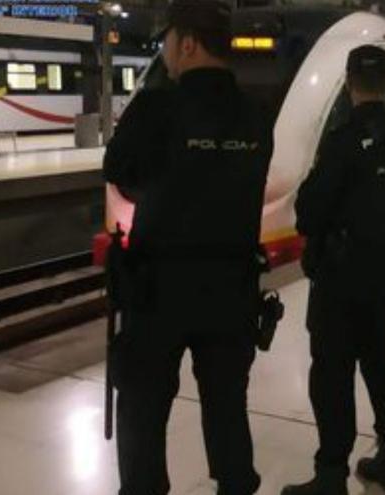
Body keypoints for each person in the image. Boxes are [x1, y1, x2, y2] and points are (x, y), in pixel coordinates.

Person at [102, 1, 274, 494]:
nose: (165, 53)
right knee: (226, 410)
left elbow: (119, 171)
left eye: (167, 42)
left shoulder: (158, 107)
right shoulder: (256, 115)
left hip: (159, 291)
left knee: (142, 409)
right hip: (232, 289)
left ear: (188, 43)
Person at [283, 45, 385, 495]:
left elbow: (308, 213)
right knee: (381, 362)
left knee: (332, 373)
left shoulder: (343, 143)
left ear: (349, 83)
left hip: (339, 282)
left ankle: (330, 476)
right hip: (384, 279)